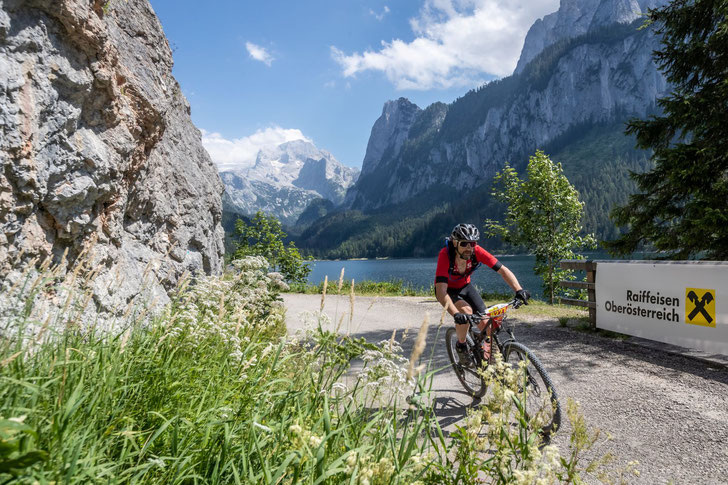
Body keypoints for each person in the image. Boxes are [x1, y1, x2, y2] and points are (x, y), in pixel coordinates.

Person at [435, 223, 530, 365]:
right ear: (455, 243)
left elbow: (503, 270)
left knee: (488, 325)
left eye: (472, 243)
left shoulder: (476, 252)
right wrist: (456, 314)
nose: (469, 248)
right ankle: (461, 346)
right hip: (447, 291)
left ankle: (488, 359)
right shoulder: (445, 255)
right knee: (466, 312)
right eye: (464, 243)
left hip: (465, 286)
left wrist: (519, 290)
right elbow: (441, 291)